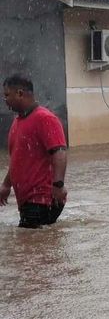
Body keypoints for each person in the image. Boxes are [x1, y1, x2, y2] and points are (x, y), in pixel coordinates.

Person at [1, 74, 68, 228]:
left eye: (7, 95)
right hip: (28, 201)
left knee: (28, 247)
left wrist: (58, 185)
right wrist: (6, 185)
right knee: (32, 245)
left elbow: (60, 152)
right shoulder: (18, 121)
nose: (5, 101)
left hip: (41, 199)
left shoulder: (45, 118)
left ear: (20, 93)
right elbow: (18, 160)